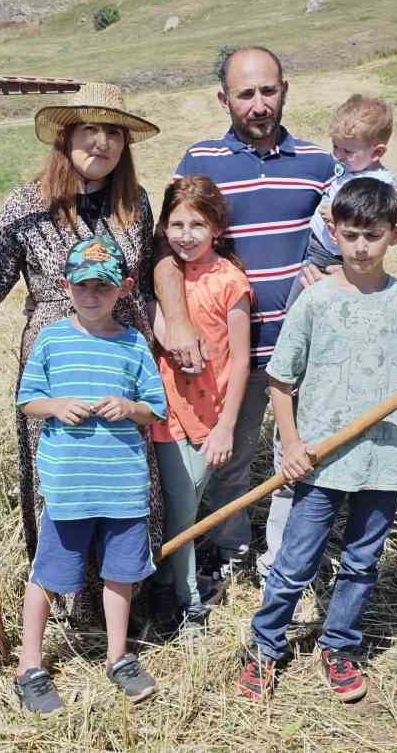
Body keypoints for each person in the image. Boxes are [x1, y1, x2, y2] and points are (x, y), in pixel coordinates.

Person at [0, 83, 163, 630]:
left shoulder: (137, 205)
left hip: (123, 355)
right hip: (57, 360)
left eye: (113, 133)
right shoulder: (25, 204)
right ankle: (68, 604)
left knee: (125, 475)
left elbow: (149, 282)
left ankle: (130, 605)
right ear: (66, 136)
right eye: (89, 129)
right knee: (64, 476)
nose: (101, 142)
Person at [236, 177, 397, 704]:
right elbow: (280, 381)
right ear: (333, 232)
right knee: (295, 563)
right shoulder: (316, 302)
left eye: (372, 235)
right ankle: (265, 648)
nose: (361, 247)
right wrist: (290, 446)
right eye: (351, 234)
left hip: (382, 459)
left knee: (361, 562)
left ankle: (340, 648)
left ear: (394, 235)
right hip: (320, 458)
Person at [156, 46, 336, 593]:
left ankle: (285, 565)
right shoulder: (199, 161)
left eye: (268, 91)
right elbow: (163, 250)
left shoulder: (319, 165)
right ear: (224, 99)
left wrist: (329, 271)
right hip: (227, 354)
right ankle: (231, 551)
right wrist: (178, 320)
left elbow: (348, 237)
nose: (259, 105)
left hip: (302, 349)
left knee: (295, 461)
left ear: (285, 89)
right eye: (245, 94)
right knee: (228, 461)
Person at [12, 236, 168, 716]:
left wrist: (129, 407)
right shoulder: (53, 339)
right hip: (70, 489)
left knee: (121, 575)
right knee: (51, 574)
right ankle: (30, 664)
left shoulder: (134, 343)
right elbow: (28, 399)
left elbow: (154, 410)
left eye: (103, 286)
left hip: (122, 487)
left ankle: (119, 657)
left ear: (122, 288)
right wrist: (56, 406)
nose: (92, 295)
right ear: (66, 286)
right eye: (83, 286)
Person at [147, 176, 253, 638]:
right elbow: (162, 336)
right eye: (176, 224)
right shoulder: (162, 278)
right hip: (167, 412)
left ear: (217, 228)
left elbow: (243, 358)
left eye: (197, 224)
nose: (186, 234)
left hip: (210, 418)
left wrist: (227, 425)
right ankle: (183, 596)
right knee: (180, 508)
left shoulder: (230, 281)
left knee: (185, 508)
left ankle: (181, 593)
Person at [284, 93, 397, 312]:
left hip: (333, 257)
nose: (338, 155)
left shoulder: (378, 184)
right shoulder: (351, 170)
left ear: (377, 152)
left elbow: (367, 221)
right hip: (317, 248)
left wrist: (336, 216)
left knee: (298, 310)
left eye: (347, 151)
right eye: (335, 146)